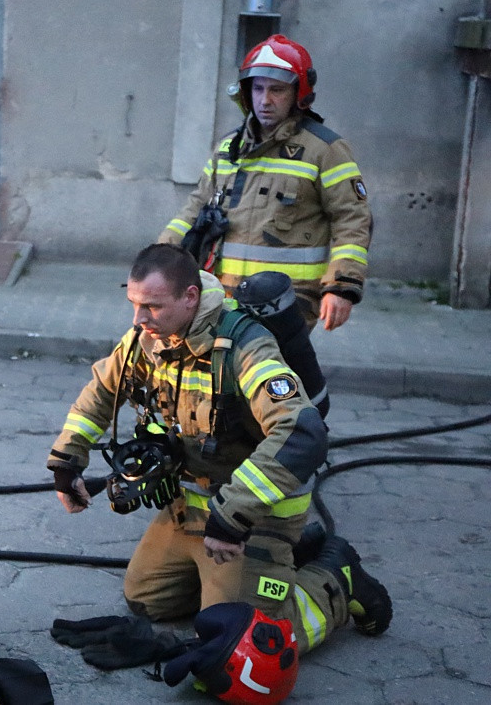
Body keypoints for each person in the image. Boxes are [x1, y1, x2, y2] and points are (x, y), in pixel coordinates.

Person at [47, 245, 391, 669]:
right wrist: (66, 460)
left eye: (152, 306)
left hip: (252, 515)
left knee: (242, 642)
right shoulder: (150, 337)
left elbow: (302, 432)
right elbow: (102, 389)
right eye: (134, 304)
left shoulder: (245, 346)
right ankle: (252, 577)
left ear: (191, 297)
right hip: (193, 507)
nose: (139, 319)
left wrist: (233, 516)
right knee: (146, 598)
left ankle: (335, 581)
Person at [160, 34, 373, 331]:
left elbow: (352, 218)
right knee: (220, 376)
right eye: (258, 89)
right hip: (222, 295)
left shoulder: (325, 150)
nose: (265, 100)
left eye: (277, 90)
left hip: (289, 301)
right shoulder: (228, 149)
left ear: (299, 94)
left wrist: (341, 286)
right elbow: (196, 206)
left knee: (275, 376)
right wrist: (159, 262)